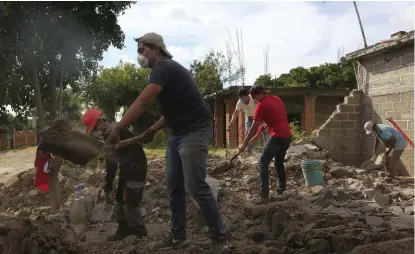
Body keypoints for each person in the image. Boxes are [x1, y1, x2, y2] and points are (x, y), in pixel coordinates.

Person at [104, 32, 232, 253]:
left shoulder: (165, 68)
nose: (140, 56)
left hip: (195, 131)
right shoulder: (162, 72)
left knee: (195, 185)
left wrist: (118, 128)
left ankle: (220, 237)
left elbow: (143, 102)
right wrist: (152, 129)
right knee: (173, 185)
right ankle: (178, 236)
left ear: (155, 49)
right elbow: (172, 111)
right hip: (177, 132)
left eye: (142, 51)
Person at [82, 108, 148, 241]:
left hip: (136, 167)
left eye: (94, 128)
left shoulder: (112, 132)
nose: (95, 132)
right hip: (127, 166)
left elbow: (111, 163)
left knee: (131, 200)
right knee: (119, 198)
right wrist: (110, 182)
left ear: (100, 122)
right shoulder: (113, 129)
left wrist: (109, 182)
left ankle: (139, 232)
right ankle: (123, 230)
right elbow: (112, 159)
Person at [238, 84, 292, 203]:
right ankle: (281, 190)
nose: (253, 98)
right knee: (278, 162)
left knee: (262, 162)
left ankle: (264, 195)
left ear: (262, 93)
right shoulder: (276, 99)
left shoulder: (261, 106)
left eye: (254, 95)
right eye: (252, 95)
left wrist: (243, 144)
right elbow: (277, 116)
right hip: (287, 135)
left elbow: (252, 128)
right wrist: (265, 126)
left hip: (277, 135)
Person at [34, 144, 62, 213]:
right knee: (55, 194)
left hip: (43, 178)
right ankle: (57, 211)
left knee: (53, 195)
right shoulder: (49, 158)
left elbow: (35, 165)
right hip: (50, 177)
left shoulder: (39, 157)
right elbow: (53, 169)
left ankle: (55, 210)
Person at [227, 88, 257, 154]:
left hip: (258, 116)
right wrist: (231, 123)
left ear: (247, 95)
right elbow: (236, 113)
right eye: (239, 97)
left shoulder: (254, 99)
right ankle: (249, 151)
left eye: (241, 97)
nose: (240, 98)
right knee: (248, 133)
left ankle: (267, 149)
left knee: (264, 132)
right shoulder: (240, 102)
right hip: (249, 117)